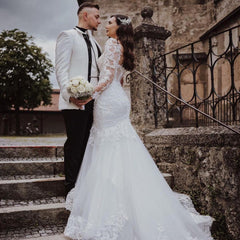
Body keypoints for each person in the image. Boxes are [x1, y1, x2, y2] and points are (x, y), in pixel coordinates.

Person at [64, 15, 214, 240]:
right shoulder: (123, 46)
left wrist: (88, 95)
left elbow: (106, 78)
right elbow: (119, 79)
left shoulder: (114, 44)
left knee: (108, 148)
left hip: (108, 101)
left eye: (110, 23)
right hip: (117, 99)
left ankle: (111, 208)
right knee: (118, 148)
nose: (106, 25)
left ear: (118, 28)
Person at [55, 2, 101, 196]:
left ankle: (84, 186)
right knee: (75, 143)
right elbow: (61, 69)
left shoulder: (96, 42)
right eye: (96, 16)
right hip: (74, 102)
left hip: (94, 101)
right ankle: (71, 189)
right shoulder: (68, 36)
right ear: (84, 15)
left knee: (88, 143)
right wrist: (70, 95)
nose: (99, 20)